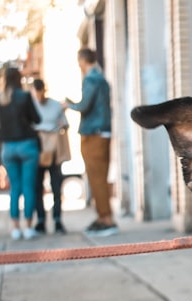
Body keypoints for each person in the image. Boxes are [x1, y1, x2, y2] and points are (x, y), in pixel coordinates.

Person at [64, 49, 116, 236]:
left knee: (96, 178)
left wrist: (68, 104)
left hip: (92, 133)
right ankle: (103, 217)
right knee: (100, 177)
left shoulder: (91, 79)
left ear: (82, 60)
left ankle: (106, 219)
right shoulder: (102, 79)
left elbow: (84, 105)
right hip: (102, 132)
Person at [0, 66, 42, 240]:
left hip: (8, 147)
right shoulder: (25, 96)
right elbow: (37, 119)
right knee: (28, 187)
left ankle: (15, 228)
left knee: (15, 188)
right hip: (27, 145)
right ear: (19, 78)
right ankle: (28, 227)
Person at [31, 79, 68, 234]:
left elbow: (65, 124)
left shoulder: (55, 105)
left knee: (56, 186)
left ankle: (57, 219)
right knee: (38, 187)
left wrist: (60, 126)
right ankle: (41, 220)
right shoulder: (31, 106)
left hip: (53, 150)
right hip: (38, 149)